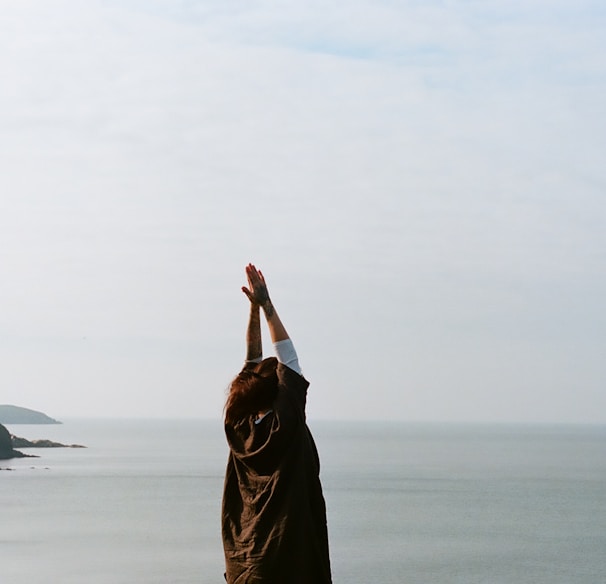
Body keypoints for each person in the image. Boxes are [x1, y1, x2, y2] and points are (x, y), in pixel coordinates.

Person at [221, 264, 332, 584]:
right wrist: (266, 305)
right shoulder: (285, 425)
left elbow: (251, 363)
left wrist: (254, 309)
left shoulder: (238, 429)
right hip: (288, 558)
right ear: (278, 393)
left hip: (246, 564)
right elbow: (288, 358)